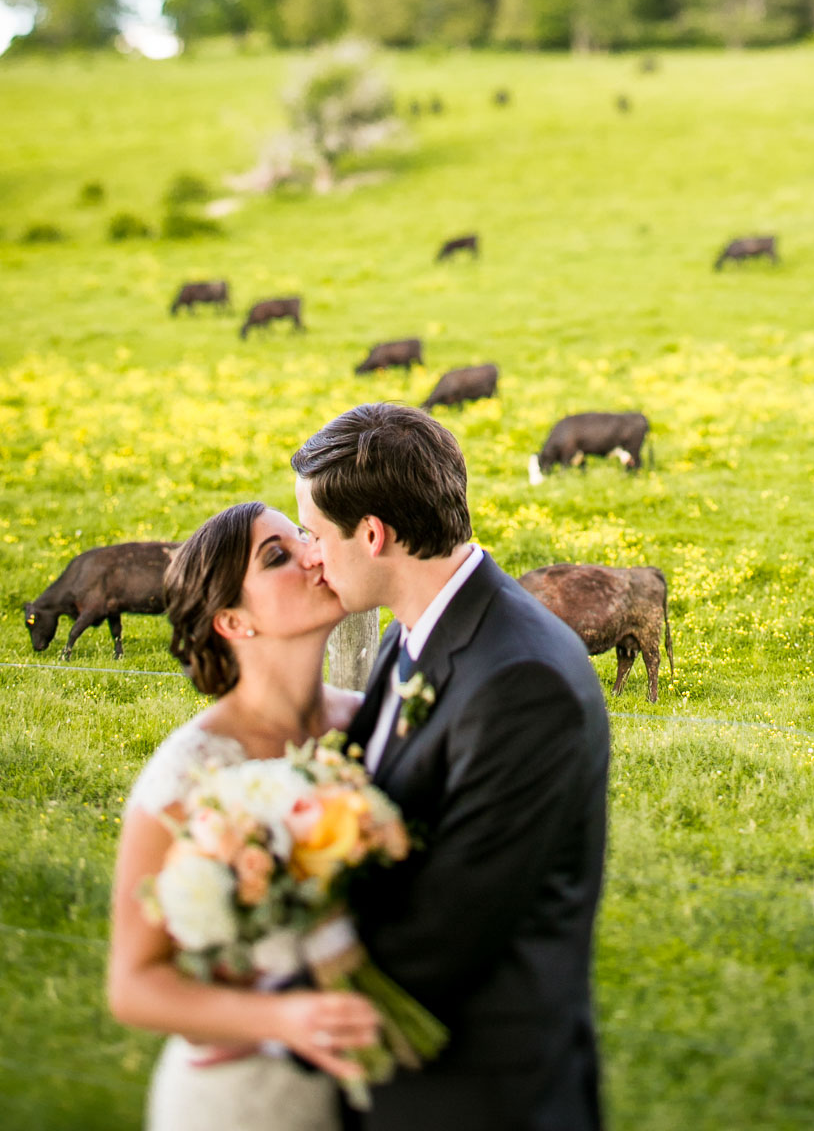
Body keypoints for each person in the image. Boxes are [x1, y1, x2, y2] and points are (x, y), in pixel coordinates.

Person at [293, 402, 610, 1131]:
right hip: (402, 1075)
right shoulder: (409, 635)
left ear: (373, 535)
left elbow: (445, 929)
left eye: (314, 535)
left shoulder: (522, 681)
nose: (310, 556)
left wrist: (266, 1002)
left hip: (479, 1092)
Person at [108, 502, 380, 1131]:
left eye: (305, 537)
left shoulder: (372, 723)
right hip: (244, 1097)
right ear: (233, 620)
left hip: (381, 1080)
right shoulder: (188, 774)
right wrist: (280, 1020)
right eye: (278, 556)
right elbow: (133, 985)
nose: (315, 553)